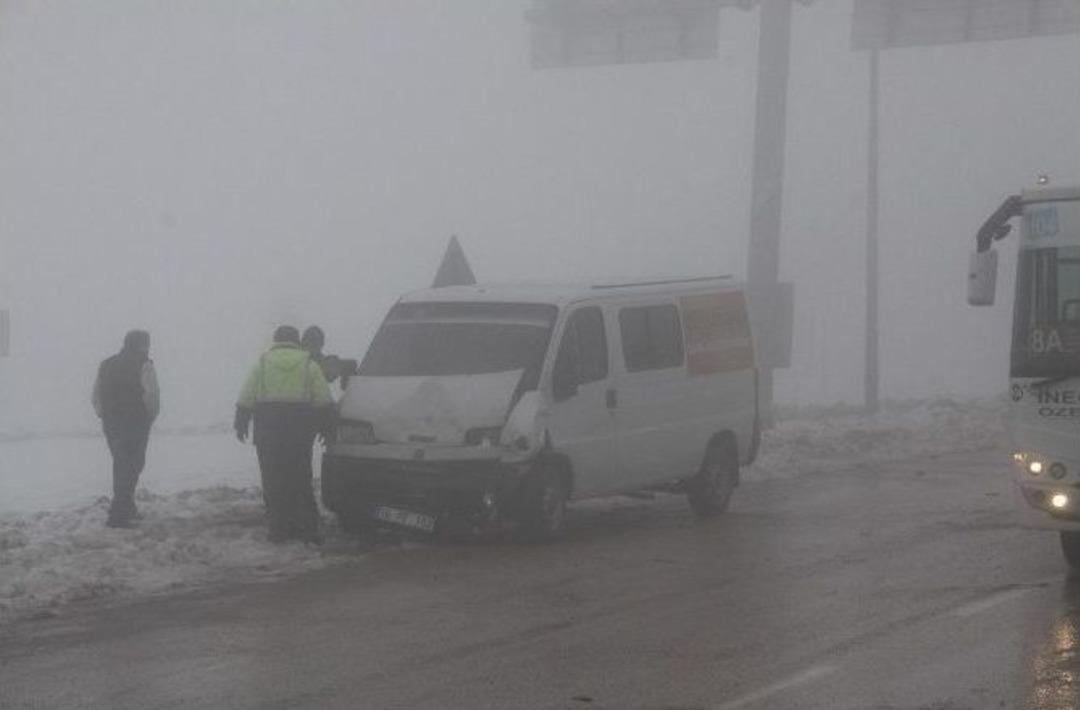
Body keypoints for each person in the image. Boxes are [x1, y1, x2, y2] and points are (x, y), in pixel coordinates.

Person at [235, 325, 333, 543]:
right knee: (300, 477)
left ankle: (278, 529)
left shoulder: (262, 363)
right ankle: (307, 529)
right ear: (297, 340)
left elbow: (245, 397)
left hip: (268, 431)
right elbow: (323, 400)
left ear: (276, 340)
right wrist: (327, 428)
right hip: (299, 431)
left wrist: (241, 422)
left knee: (273, 479)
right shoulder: (309, 363)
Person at [92, 330, 160, 528]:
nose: (148, 347)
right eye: (146, 343)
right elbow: (152, 395)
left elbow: (95, 396)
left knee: (121, 464)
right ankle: (118, 514)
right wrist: (149, 417)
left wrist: (103, 415)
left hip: (112, 424)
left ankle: (127, 508)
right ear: (142, 344)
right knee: (133, 465)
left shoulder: (106, 364)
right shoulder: (145, 364)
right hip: (136, 422)